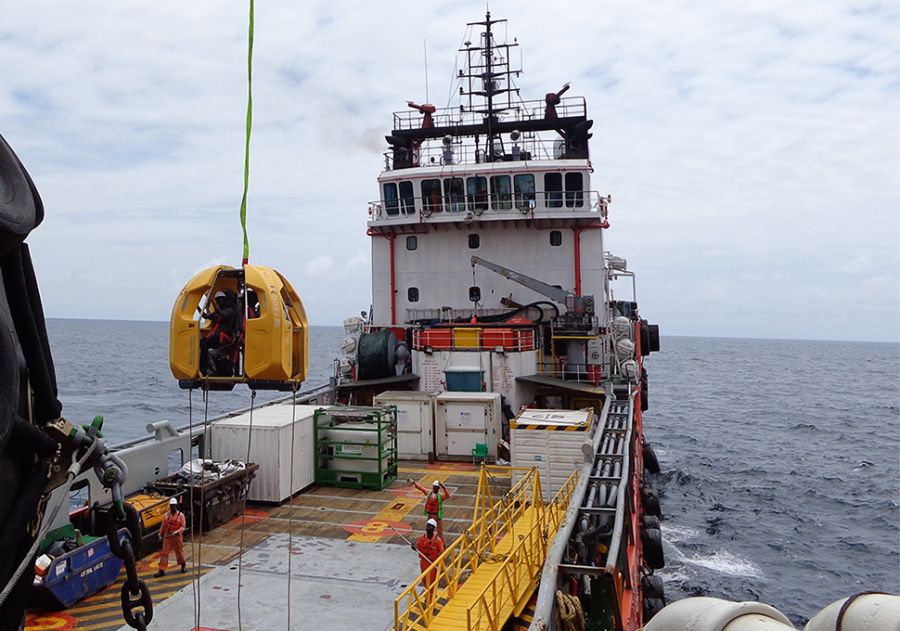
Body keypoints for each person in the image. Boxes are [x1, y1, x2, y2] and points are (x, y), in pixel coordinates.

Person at [200, 289, 239, 376]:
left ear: (224, 300)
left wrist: (213, 301)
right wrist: (202, 307)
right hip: (217, 337)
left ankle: (210, 370)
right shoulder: (216, 313)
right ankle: (203, 367)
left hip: (225, 339)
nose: (218, 302)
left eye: (219, 300)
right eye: (217, 300)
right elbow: (206, 316)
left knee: (205, 344)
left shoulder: (229, 310)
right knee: (202, 343)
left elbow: (221, 314)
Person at [154, 498, 187, 577]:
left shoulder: (181, 515)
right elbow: (163, 526)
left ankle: (183, 565)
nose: (172, 507)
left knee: (179, 552)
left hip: (177, 536)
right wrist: (160, 534)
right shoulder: (166, 516)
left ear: (176, 506)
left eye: (174, 505)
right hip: (168, 536)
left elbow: (183, 526)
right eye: (171, 506)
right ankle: (161, 570)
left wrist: (177, 532)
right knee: (164, 553)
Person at [412, 518, 444, 587]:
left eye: (430, 527)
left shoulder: (438, 541)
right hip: (424, 562)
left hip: (432, 563)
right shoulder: (421, 538)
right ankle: (428, 594)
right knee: (424, 579)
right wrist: (414, 547)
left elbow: (442, 553)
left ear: (433, 528)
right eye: (427, 526)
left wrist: (439, 564)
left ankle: (431, 595)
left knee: (432, 581)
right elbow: (418, 548)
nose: (428, 528)